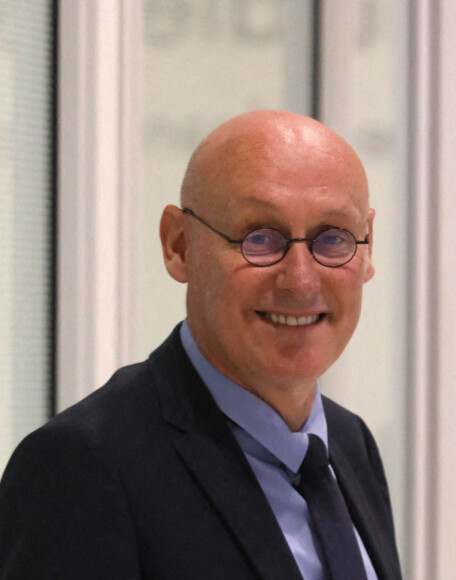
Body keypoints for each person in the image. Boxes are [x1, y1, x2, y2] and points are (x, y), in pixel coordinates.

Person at [0, 110, 402, 579]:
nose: (300, 280)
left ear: (367, 247)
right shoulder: (82, 469)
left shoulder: (351, 445)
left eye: (332, 239)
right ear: (179, 246)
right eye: (261, 238)